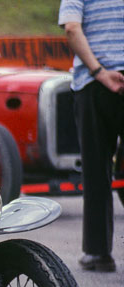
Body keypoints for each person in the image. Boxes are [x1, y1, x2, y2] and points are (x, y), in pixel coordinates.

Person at [59, 0, 124, 272]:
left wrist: (99, 72)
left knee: (97, 171)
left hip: (96, 83)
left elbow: (72, 29)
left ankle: (98, 253)